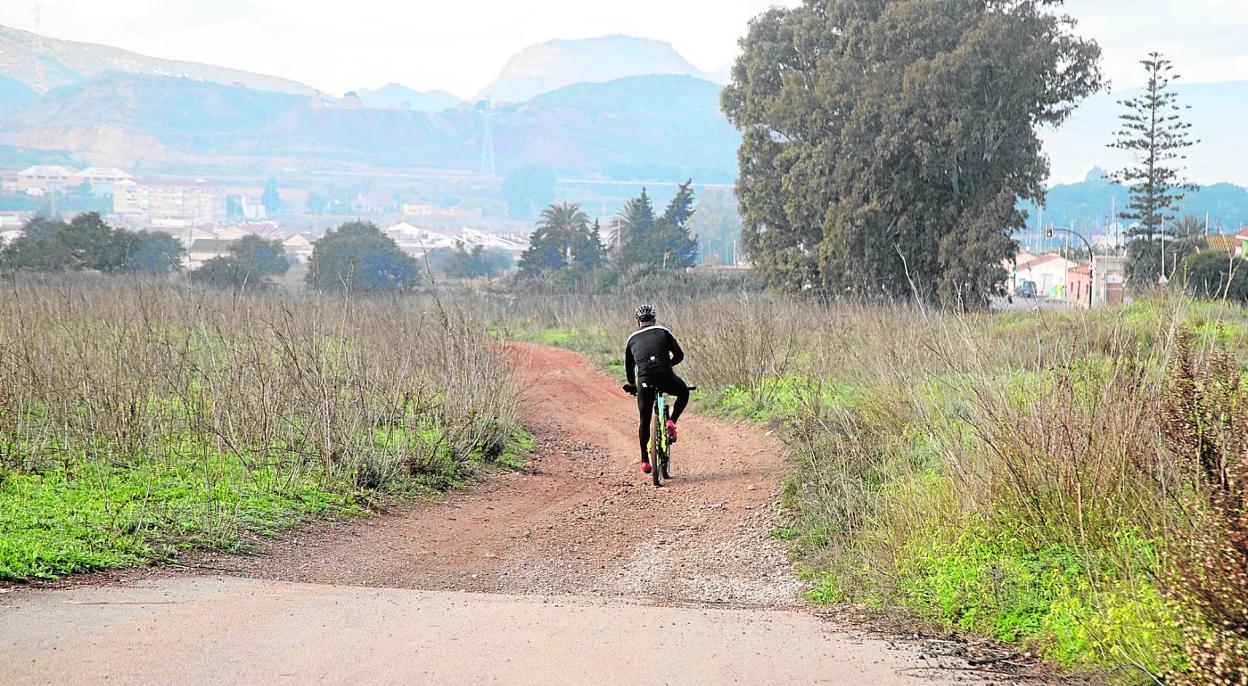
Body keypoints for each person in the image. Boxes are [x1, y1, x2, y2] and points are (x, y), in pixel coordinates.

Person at [621, 304, 689, 474]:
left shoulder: (631, 339)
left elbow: (629, 369)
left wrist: (632, 385)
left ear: (637, 321)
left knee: (644, 419)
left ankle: (645, 460)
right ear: (654, 319)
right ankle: (671, 421)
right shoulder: (663, 331)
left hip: (644, 380)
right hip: (666, 375)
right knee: (683, 392)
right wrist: (667, 365)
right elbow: (679, 355)